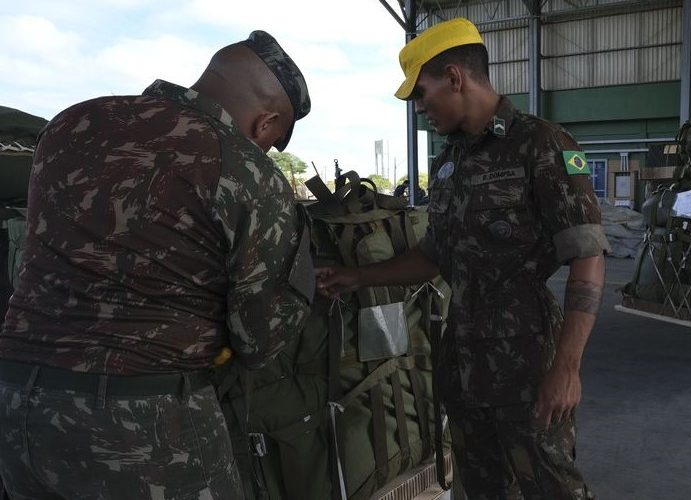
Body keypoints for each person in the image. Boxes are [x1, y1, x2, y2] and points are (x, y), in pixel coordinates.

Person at [0, 31, 314, 499]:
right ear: (266, 123)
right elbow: (258, 341)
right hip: (143, 419)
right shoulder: (243, 168)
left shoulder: (72, 123)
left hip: (17, 402)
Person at [316, 17, 608, 500]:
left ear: (455, 77)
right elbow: (435, 255)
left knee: (551, 486)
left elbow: (588, 255)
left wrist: (568, 367)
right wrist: (358, 276)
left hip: (528, 361)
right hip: (464, 360)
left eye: (422, 93)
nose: (420, 109)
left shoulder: (540, 144)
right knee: (481, 488)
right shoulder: (449, 161)